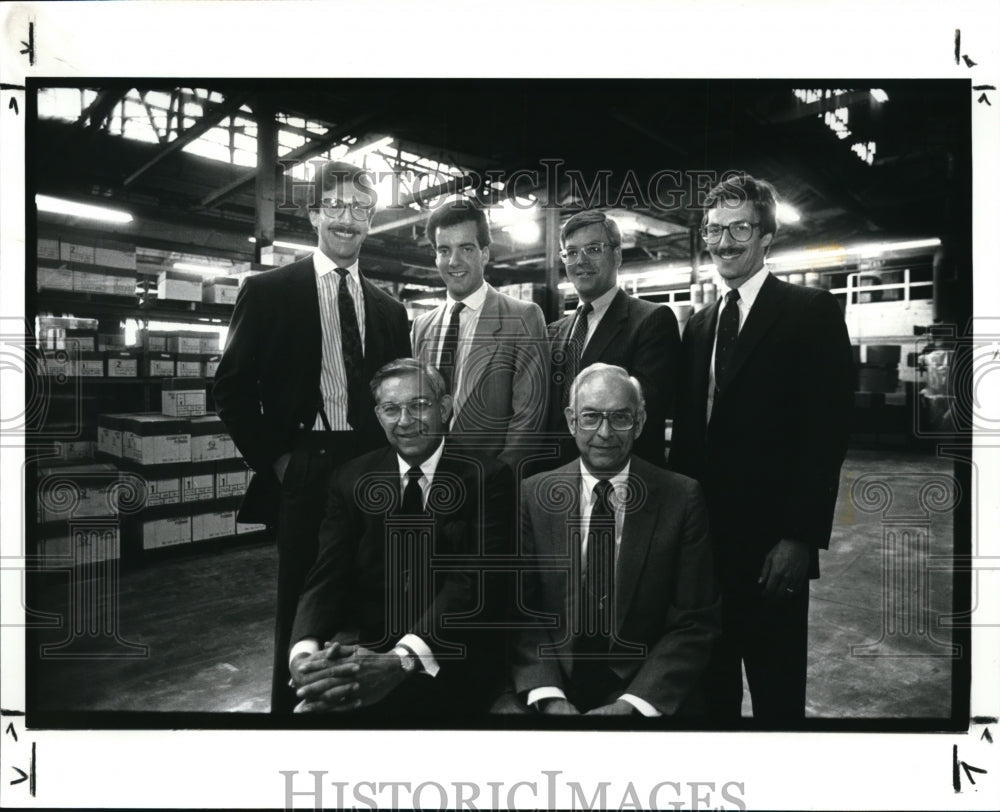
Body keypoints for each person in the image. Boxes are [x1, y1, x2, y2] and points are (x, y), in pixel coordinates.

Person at [213, 161, 411, 714]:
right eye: (337, 206)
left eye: (361, 208)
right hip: (305, 464)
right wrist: (278, 461)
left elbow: (394, 396)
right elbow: (229, 388)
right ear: (314, 213)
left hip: (373, 466)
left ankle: (359, 711)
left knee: (372, 594)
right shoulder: (270, 291)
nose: (349, 219)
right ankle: (291, 719)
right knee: (303, 601)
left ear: (372, 219)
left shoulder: (391, 310)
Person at [668, 172, 854, 723]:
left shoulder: (809, 312)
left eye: (739, 229)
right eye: (714, 230)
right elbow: (694, 438)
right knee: (712, 685)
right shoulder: (699, 325)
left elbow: (826, 435)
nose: (724, 242)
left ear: (767, 237)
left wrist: (799, 537)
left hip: (773, 548)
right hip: (705, 545)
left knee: (776, 692)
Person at [289, 358, 514, 718]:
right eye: (391, 409)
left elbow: (472, 583)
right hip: (367, 650)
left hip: (450, 656)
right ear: (378, 415)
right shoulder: (351, 478)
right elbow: (326, 575)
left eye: (419, 405)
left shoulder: (489, 478)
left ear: (444, 408)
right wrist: (303, 652)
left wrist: (403, 659)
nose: (405, 421)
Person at [510, 363, 719, 716]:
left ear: (639, 422)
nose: (604, 432)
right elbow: (520, 612)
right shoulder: (534, 494)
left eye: (620, 417)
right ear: (571, 420)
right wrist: (549, 694)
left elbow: (694, 621)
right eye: (591, 417)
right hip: (556, 674)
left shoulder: (680, 498)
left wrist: (632, 704)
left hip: (639, 681)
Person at [411, 201, 549, 475]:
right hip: (428, 479)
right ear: (435, 256)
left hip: (491, 485)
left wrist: (499, 483)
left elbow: (529, 419)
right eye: (444, 250)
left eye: (466, 248)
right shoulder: (421, 327)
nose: (454, 261)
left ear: (484, 253)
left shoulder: (523, 317)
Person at [545, 210, 681, 469]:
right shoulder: (555, 332)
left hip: (624, 483)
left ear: (617, 254)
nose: (580, 261)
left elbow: (642, 415)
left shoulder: (652, 321)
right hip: (559, 481)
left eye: (593, 249)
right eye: (571, 252)